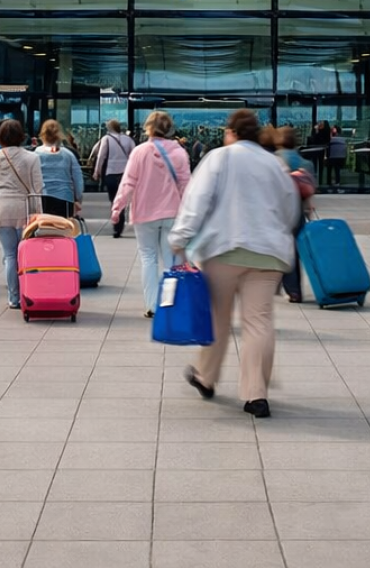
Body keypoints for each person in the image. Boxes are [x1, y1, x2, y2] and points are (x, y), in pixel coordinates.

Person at [169, 109, 302, 419]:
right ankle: (257, 395)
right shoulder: (275, 163)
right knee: (260, 322)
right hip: (268, 254)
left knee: (217, 317)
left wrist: (180, 238)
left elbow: (196, 201)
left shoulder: (220, 158)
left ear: (231, 131)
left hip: (224, 250)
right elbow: (290, 209)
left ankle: (206, 377)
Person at [112, 110, 191, 319]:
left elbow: (128, 183)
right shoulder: (180, 153)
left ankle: (152, 306)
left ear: (148, 127)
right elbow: (186, 186)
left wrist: (117, 208)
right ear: (169, 129)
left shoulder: (140, 152)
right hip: (173, 213)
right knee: (170, 260)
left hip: (145, 214)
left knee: (148, 258)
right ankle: (170, 303)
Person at [0, 120, 43, 310]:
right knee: (26, 255)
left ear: (1, 137)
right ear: (22, 136)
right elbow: (38, 189)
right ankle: (29, 291)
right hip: (26, 210)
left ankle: (14, 298)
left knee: (10, 255)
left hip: (2, 209)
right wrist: (39, 215)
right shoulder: (32, 158)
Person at [273, 126, 314, 304]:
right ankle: (294, 289)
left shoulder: (274, 161)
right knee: (294, 252)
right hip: (298, 210)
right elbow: (310, 191)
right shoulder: (306, 163)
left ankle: (285, 287)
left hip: (279, 211)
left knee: (279, 250)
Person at [92, 119, 135, 237]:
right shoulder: (128, 140)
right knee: (123, 198)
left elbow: (101, 156)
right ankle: (120, 222)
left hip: (111, 172)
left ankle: (117, 226)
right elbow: (134, 155)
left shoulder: (106, 139)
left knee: (113, 199)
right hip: (125, 173)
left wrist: (97, 171)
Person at [35, 119, 83, 218]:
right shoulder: (68, 154)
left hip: (42, 199)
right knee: (63, 229)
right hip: (65, 199)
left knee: (43, 230)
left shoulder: (36, 154)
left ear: (42, 135)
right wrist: (78, 199)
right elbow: (78, 179)